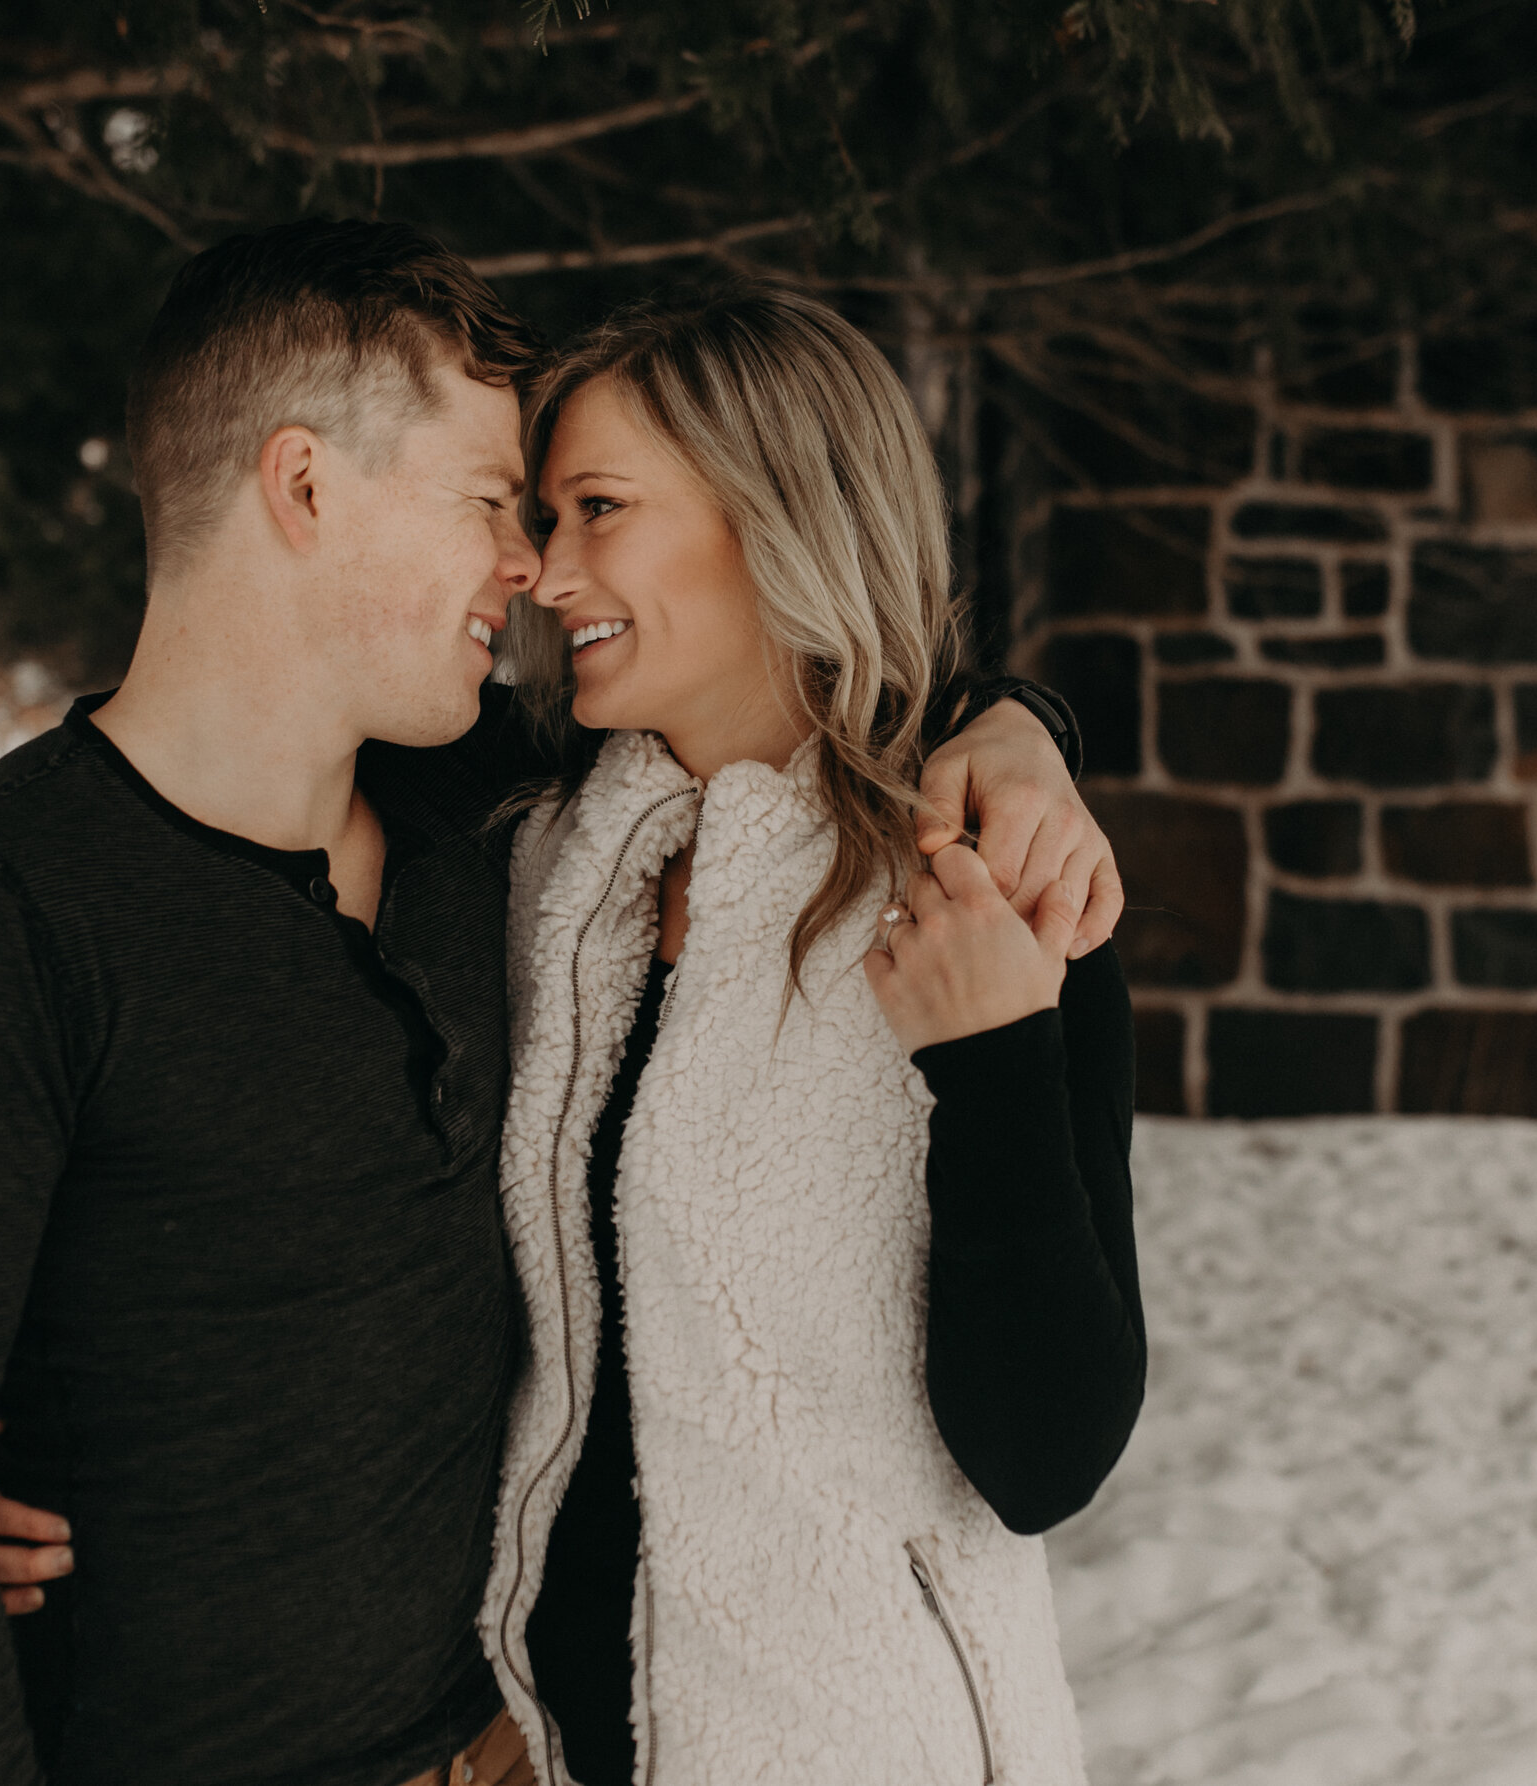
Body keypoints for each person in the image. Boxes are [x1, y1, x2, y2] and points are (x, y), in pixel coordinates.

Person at [0, 221, 1119, 1786]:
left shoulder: (488, 822)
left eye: (558, 510)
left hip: (518, 1754)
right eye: (496, 501)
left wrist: (1018, 729)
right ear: (302, 485)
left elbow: (787, 685)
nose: (529, 566)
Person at [475, 290, 1146, 1785]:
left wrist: (995, 1060)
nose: (543, 568)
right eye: (540, 513)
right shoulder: (546, 868)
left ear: (774, 516)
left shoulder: (989, 887)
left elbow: (1048, 1452)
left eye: (597, 509)